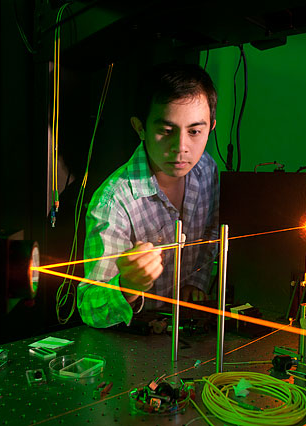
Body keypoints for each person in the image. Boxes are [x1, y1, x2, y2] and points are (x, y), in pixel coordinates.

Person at [78, 63, 219, 328]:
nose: (181, 148)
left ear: (211, 127)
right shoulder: (113, 202)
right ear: (140, 127)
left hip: (187, 329)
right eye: (166, 131)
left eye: (194, 131)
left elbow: (211, 234)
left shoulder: (207, 169)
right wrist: (127, 286)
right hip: (131, 340)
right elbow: (89, 308)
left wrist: (195, 281)